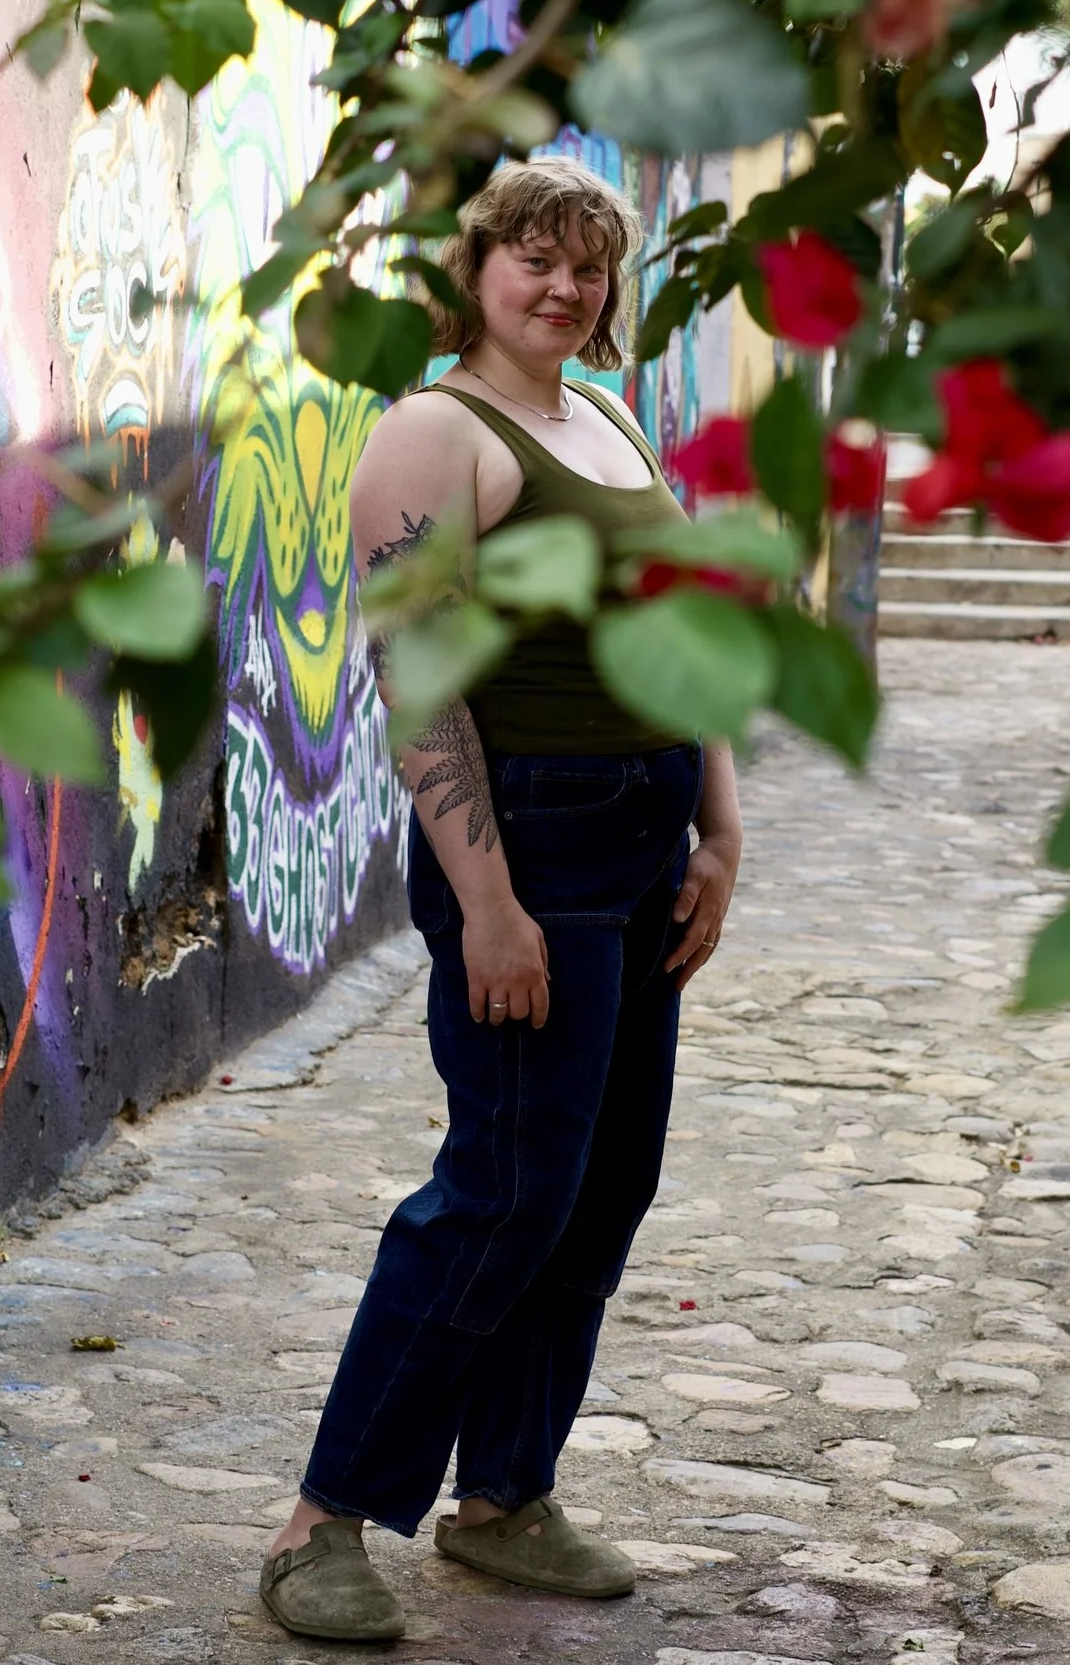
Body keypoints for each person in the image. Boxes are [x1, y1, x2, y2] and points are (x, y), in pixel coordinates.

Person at [257, 158, 745, 1642]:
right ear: (473, 273)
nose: (564, 283)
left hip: (643, 840)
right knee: (504, 1188)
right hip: (523, 847)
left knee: (602, 1189)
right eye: (532, 256)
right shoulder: (432, 433)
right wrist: (489, 903)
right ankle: (319, 1524)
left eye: (588, 263)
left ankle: (504, 1500)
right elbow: (421, 681)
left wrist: (718, 821)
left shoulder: (600, 419)